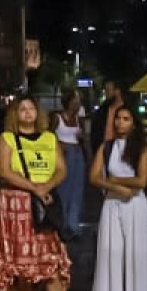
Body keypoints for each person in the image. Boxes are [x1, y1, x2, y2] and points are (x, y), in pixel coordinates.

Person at [0, 94, 78, 291]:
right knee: (24, 265)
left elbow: (61, 168)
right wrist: (35, 188)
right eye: (22, 109)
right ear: (14, 114)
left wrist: (46, 186)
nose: (27, 113)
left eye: (31, 108)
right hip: (18, 204)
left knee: (51, 262)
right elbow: (4, 171)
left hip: (45, 200)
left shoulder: (50, 138)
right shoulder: (6, 139)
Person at [87, 103, 147, 291]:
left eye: (126, 118)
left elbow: (141, 181)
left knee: (139, 256)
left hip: (136, 205)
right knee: (110, 254)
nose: (120, 123)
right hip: (111, 204)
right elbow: (94, 177)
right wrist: (115, 185)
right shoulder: (106, 147)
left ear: (134, 123)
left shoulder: (141, 148)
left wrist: (115, 181)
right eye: (118, 118)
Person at [51, 89, 90, 241]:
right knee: (63, 190)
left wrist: (83, 139)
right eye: (75, 100)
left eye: (79, 101)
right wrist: (59, 145)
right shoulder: (57, 118)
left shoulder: (79, 119)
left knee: (77, 191)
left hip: (77, 154)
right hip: (63, 154)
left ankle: (73, 226)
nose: (77, 103)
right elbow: (48, 135)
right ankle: (62, 224)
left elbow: (85, 138)